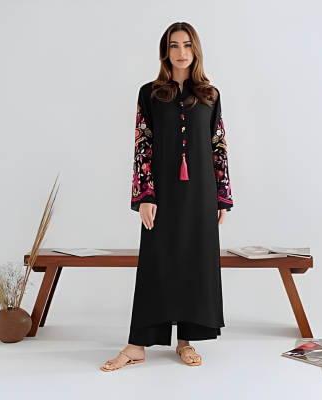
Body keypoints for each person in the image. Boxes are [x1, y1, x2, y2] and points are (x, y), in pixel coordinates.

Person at [100, 22, 233, 372]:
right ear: (165, 52)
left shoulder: (210, 95)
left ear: (195, 50)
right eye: (174, 45)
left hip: (201, 193)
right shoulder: (150, 93)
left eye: (187, 45)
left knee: (195, 262)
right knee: (156, 262)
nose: (181, 52)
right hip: (162, 193)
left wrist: (222, 196)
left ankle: (186, 341)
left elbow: (218, 145)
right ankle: (136, 345)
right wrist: (145, 194)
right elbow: (142, 144)